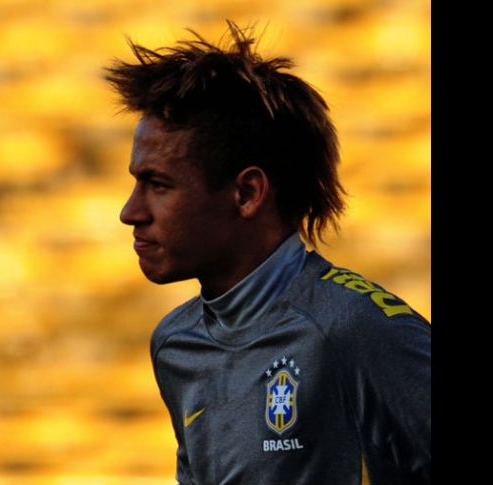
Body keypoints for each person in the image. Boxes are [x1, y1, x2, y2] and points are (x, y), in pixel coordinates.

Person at [104, 21, 430, 485]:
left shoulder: (356, 329)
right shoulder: (176, 343)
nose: (130, 212)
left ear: (248, 193)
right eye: (136, 182)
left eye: (158, 185)